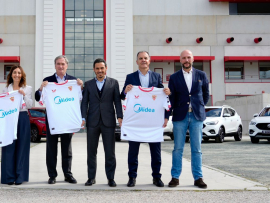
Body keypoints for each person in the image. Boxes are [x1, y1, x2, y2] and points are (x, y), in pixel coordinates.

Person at [120, 51, 170, 188]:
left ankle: (156, 177)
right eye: (140, 58)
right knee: (133, 151)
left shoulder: (156, 76)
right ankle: (132, 177)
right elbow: (122, 96)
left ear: (149, 61)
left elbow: (163, 98)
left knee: (156, 151)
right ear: (137, 62)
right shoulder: (130, 77)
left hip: (153, 121)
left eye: (145, 58)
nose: (143, 60)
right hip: (136, 121)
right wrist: (125, 91)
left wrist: (166, 116)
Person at [35, 55, 83, 185]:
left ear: (66, 66)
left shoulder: (73, 81)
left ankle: (68, 174)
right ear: (55, 65)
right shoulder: (48, 81)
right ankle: (52, 175)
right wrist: (40, 88)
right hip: (52, 120)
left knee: (67, 149)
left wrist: (81, 87)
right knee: (51, 149)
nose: (60, 66)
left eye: (63, 64)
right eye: (58, 64)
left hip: (67, 120)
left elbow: (83, 97)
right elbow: (37, 97)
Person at [166, 50, 209, 189]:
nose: (186, 60)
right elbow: (171, 98)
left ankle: (198, 178)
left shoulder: (202, 75)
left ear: (193, 59)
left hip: (196, 116)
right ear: (180, 60)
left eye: (188, 57)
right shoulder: (174, 77)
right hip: (180, 116)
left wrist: (199, 107)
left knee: (196, 148)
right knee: (178, 148)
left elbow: (206, 95)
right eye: (184, 58)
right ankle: (175, 177)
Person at [81, 58, 123, 187]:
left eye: (102, 68)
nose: (100, 71)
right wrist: (83, 118)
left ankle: (111, 178)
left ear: (106, 68)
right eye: (97, 68)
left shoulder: (114, 83)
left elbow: (117, 101)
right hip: (92, 122)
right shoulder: (88, 85)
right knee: (91, 151)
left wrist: (120, 117)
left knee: (110, 152)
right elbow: (84, 103)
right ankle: (91, 177)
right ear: (94, 70)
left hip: (108, 122)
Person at [1, 65, 33, 185]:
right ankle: (8, 177)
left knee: (22, 147)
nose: (17, 75)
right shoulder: (5, 90)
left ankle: (20, 176)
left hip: (22, 118)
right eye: (14, 72)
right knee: (9, 147)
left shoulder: (28, 88)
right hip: (9, 118)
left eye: (19, 73)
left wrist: (23, 94)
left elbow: (29, 105)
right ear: (11, 75)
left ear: (22, 75)